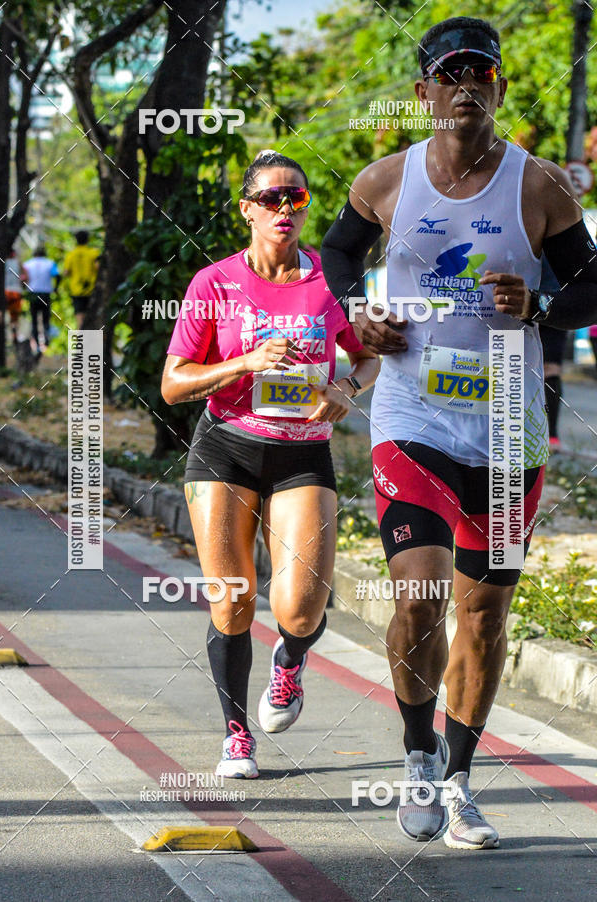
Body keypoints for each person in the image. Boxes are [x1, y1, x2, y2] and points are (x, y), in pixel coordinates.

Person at [322, 15, 597, 849]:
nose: (466, 84)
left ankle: (460, 779)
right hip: (414, 416)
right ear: (424, 92)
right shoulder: (385, 180)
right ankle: (415, 759)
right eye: (450, 73)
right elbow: (335, 261)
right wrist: (357, 317)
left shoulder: (542, 186)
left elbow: (591, 290)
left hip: (509, 423)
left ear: (501, 87)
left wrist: (542, 307)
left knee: (483, 617)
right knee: (421, 591)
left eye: (481, 71)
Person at [161, 149, 379, 779]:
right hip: (225, 447)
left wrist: (348, 390)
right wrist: (244, 363)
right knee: (231, 599)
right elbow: (175, 384)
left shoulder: (327, 282)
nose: (285, 209)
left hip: (302, 453)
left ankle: (289, 663)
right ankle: (236, 735)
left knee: (302, 609)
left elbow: (365, 356)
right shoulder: (215, 283)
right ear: (248, 210)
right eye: (273, 199)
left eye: (298, 199)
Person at [538, 258, 565, 449]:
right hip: (556, 303)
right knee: (550, 369)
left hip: (547, 303)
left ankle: (551, 434)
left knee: (549, 369)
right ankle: (551, 435)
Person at [24, 245, 60, 351]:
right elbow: (58, 276)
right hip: (45, 293)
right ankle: (46, 342)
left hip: (32, 293)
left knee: (34, 319)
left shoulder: (27, 264)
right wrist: (56, 288)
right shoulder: (50, 263)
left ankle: (37, 344)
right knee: (46, 318)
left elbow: (23, 278)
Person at [62, 230, 100, 328]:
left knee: (80, 319)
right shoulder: (93, 253)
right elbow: (98, 267)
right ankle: (92, 342)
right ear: (88, 239)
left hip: (76, 290)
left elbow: (66, 272)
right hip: (92, 289)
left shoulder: (71, 254)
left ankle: (81, 341)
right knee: (93, 318)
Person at [4, 248, 27, 345]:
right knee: (14, 316)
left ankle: (4, 335)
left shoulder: (3, 262)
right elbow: (25, 277)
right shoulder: (19, 263)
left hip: (4, 292)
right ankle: (14, 334)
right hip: (16, 292)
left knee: (1, 314)